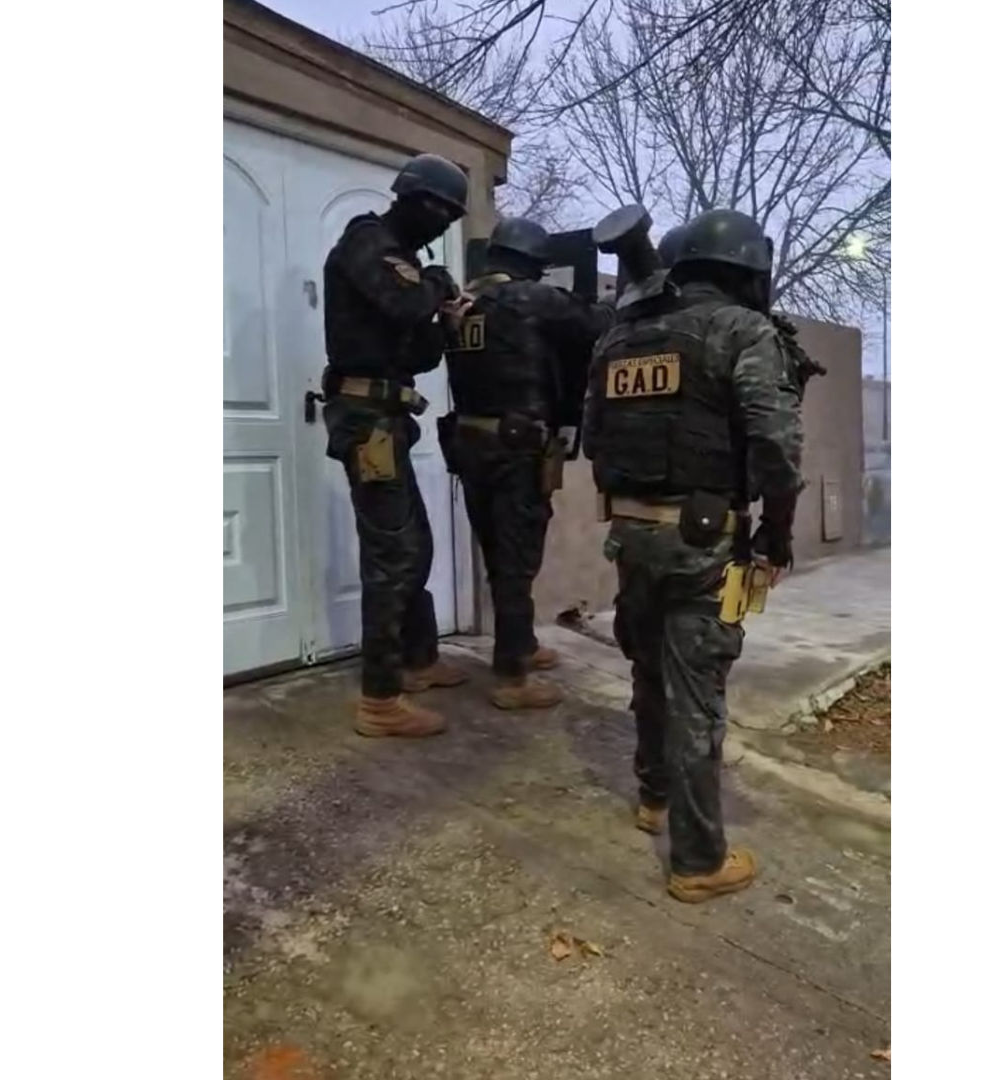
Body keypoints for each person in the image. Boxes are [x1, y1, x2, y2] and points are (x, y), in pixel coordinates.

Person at [583, 206, 805, 903]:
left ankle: (654, 798)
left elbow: (593, 436)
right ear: (747, 268)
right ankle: (699, 860)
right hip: (703, 543)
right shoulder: (742, 330)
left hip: (631, 535)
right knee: (697, 694)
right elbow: (776, 446)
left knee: (648, 671)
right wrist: (776, 535)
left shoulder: (619, 338)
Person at [321, 153, 472, 739]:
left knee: (416, 545)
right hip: (367, 422)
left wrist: (446, 324)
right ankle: (380, 699)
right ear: (414, 199)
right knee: (392, 555)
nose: (444, 225)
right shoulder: (367, 241)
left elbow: (416, 352)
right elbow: (404, 303)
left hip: (388, 416)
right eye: (442, 213)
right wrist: (438, 285)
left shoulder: (404, 263)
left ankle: (417, 660)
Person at [441, 217, 613, 709]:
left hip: (471, 444)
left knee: (499, 553)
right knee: (518, 558)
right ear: (532, 263)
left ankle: (520, 643)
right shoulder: (530, 298)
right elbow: (597, 324)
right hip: (516, 448)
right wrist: (613, 297)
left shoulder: (464, 303)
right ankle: (512, 677)